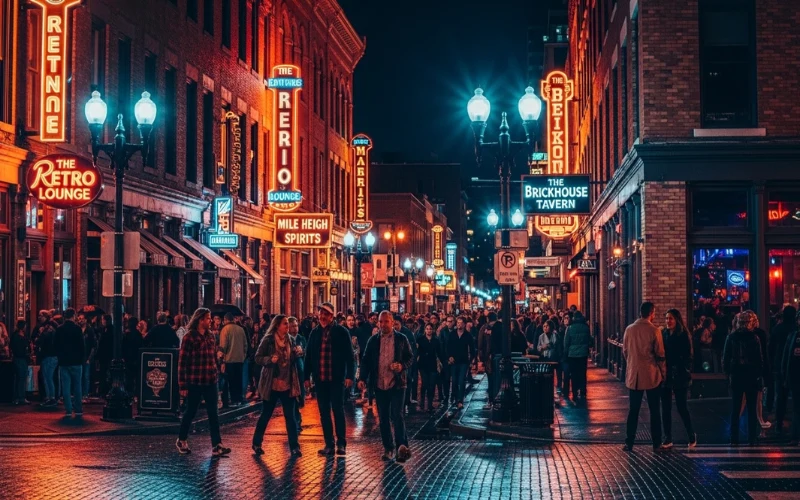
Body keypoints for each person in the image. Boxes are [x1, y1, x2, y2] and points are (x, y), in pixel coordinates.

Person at [358, 311, 414, 462]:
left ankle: (401, 446)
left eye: (386, 322)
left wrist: (401, 366)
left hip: (397, 384)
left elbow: (410, 357)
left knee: (397, 415)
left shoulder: (401, 339)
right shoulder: (373, 340)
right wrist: (362, 377)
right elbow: (366, 360)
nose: (383, 325)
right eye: (380, 322)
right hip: (379, 384)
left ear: (392, 322)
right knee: (383, 418)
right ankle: (388, 448)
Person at [176, 308, 231, 456]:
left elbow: (213, 356)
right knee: (190, 412)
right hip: (195, 380)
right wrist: (182, 384)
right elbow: (182, 362)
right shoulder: (189, 338)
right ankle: (182, 439)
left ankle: (217, 445)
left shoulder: (211, 336)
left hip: (210, 380)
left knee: (213, 413)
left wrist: (219, 361)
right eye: (208, 318)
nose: (210, 321)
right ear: (200, 320)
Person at [304, 302, 354, 456]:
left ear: (331, 316)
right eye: (321, 314)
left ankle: (341, 443)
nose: (322, 317)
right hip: (321, 379)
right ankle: (329, 444)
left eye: (325, 314)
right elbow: (309, 356)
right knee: (324, 412)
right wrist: (306, 376)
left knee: (338, 410)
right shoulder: (314, 333)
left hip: (336, 378)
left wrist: (349, 376)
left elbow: (349, 356)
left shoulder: (341, 332)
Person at [251, 315, 303, 457]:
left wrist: (298, 353)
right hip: (272, 384)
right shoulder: (268, 340)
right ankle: (256, 443)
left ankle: (294, 447)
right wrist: (269, 359)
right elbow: (257, 357)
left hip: (287, 384)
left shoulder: (291, 340)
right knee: (266, 414)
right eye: (285, 324)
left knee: (290, 416)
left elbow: (293, 358)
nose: (288, 326)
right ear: (277, 326)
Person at [622, 302, 666, 452]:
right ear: (652, 313)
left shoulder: (629, 329)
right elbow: (660, 354)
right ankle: (656, 443)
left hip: (634, 375)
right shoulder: (654, 331)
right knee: (654, 410)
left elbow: (625, 351)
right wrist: (663, 373)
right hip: (651, 374)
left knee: (633, 410)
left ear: (640, 312)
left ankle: (629, 442)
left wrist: (632, 363)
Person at [722, 310, 764, 446]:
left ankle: (734, 437)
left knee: (736, 407)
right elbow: (759, 359)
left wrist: (728, 373)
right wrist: (759, 374)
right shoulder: (754, 338)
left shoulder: (732, 337)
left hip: (736, 375)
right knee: (752, 408)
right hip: (751, 375)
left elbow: (726, 358)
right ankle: (751, 438)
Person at [660, 309, 697, 449]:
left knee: (682, 407)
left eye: (671, 319)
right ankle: (668, 437)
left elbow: (688, 356)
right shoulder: (663, 334)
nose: (668, 321)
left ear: (677, 320)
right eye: (667, 318)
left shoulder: (683, 335)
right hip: (667, 374)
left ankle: (691, 434)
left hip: (680, 375)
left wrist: (684, 369)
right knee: (666, 407)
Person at [54, 308, 85, 418]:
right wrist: (82, 358)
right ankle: (78, 409)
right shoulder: (77, 329)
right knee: (77, 386)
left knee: (65, 386)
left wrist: (60, 357)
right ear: (73, 316)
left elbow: (56, 345)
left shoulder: (59, 329)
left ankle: (68, 410)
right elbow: (82, 346)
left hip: (64, 362)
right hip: (76, 361)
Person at [774, 307, 799, 436]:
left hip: (780, 366)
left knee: (781, 398)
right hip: (794, 367)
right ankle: (795, 427)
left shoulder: (779, 328)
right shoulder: (794, 331)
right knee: (796, 400)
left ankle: (779, 423)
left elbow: (771, 347)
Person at [219, 313, 248, 407]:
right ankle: (239, 398)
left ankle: (232, 400)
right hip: (239, 359)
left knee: (230, 381)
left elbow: (223, 345)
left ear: (226, 319)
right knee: (238, 380)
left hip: (229, 359)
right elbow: (245, 345)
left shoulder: (225, 329)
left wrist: (222, 359)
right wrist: (243, 356)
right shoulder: (241, 329)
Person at [563, 311, 592, 402]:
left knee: (574, 374)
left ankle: (575, 391)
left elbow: (566, 343)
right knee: (582, 373)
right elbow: (590, 341)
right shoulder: (586, 328)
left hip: (572, 355)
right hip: (583, 354)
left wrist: (566, 354)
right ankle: (583, 390)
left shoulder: (570, 328)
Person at [446, 317, 473, 409]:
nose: (459, 324)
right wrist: (449, 356)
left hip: (464, 361)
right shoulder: (452, 334)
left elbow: (472, 348)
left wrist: (471, 360)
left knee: (461, 381)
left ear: (464, 324)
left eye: (461, 323)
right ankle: (454, 396)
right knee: (454, 381)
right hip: (454, 361)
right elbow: (448, 346)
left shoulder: (468, 335)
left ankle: (460, 400)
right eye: (458, 323)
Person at [416, 323, 442, 413]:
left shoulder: (436, 340)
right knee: (425, 383)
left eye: (430, 329)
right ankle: (422, 401)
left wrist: (441, 362)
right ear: (425, 330)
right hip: (423, 365)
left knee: (432, 384)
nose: (429, 330)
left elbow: (439, 352)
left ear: (432, 330)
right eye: (427, 329)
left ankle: (430, 404)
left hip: (432, 364)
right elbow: (417, 352)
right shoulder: (420, 340)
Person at [35, 311, 59, 407]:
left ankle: (51, 398)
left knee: (48, 377)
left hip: (50, 355)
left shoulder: (48, 327)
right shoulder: (51, 326)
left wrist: (40, 334)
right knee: (47, 377)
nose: (39, 317)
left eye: (41, 315)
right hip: (49, 355)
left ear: (45, 317)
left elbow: (42, 339)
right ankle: (49, 397)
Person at [288, 316, 306, 433]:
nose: (295, 328)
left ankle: (296, 420)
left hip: (300, 372)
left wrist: (302, 351)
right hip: (290, 373)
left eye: (296, 325)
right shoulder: (286, 339)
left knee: (300, 398)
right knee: (292, 399)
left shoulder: (301, 338)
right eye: (293, 326)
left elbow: (307, 352)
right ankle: (296, 422)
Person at [77, 313, 97, 401]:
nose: (80, 320)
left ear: (85, 320)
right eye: (79, 318)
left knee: (86, 375)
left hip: (86, 356)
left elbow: (93, 345)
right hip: (79, 357)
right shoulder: (77, 330)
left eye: (82, 318)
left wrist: (90, 358)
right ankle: (80, 393)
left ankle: (85, 394)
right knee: (79, 376)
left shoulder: (90, 330)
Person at [123, 317, 144, 399]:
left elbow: (123, 347)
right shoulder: (138, 334)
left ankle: (129, 393)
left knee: (129, 377)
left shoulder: (127, 334)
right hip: (136, 358)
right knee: (137, 377)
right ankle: (136, 393)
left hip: (128, 358)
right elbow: (141, 346)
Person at [10, 321, 30, 404]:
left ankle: (17, 397)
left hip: (17, 358)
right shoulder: (20, 336)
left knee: (18, 378)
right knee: (22, 378)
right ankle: (21, 397)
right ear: (23, 326)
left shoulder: (14, 335)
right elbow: (24, 348)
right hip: (21, 358)